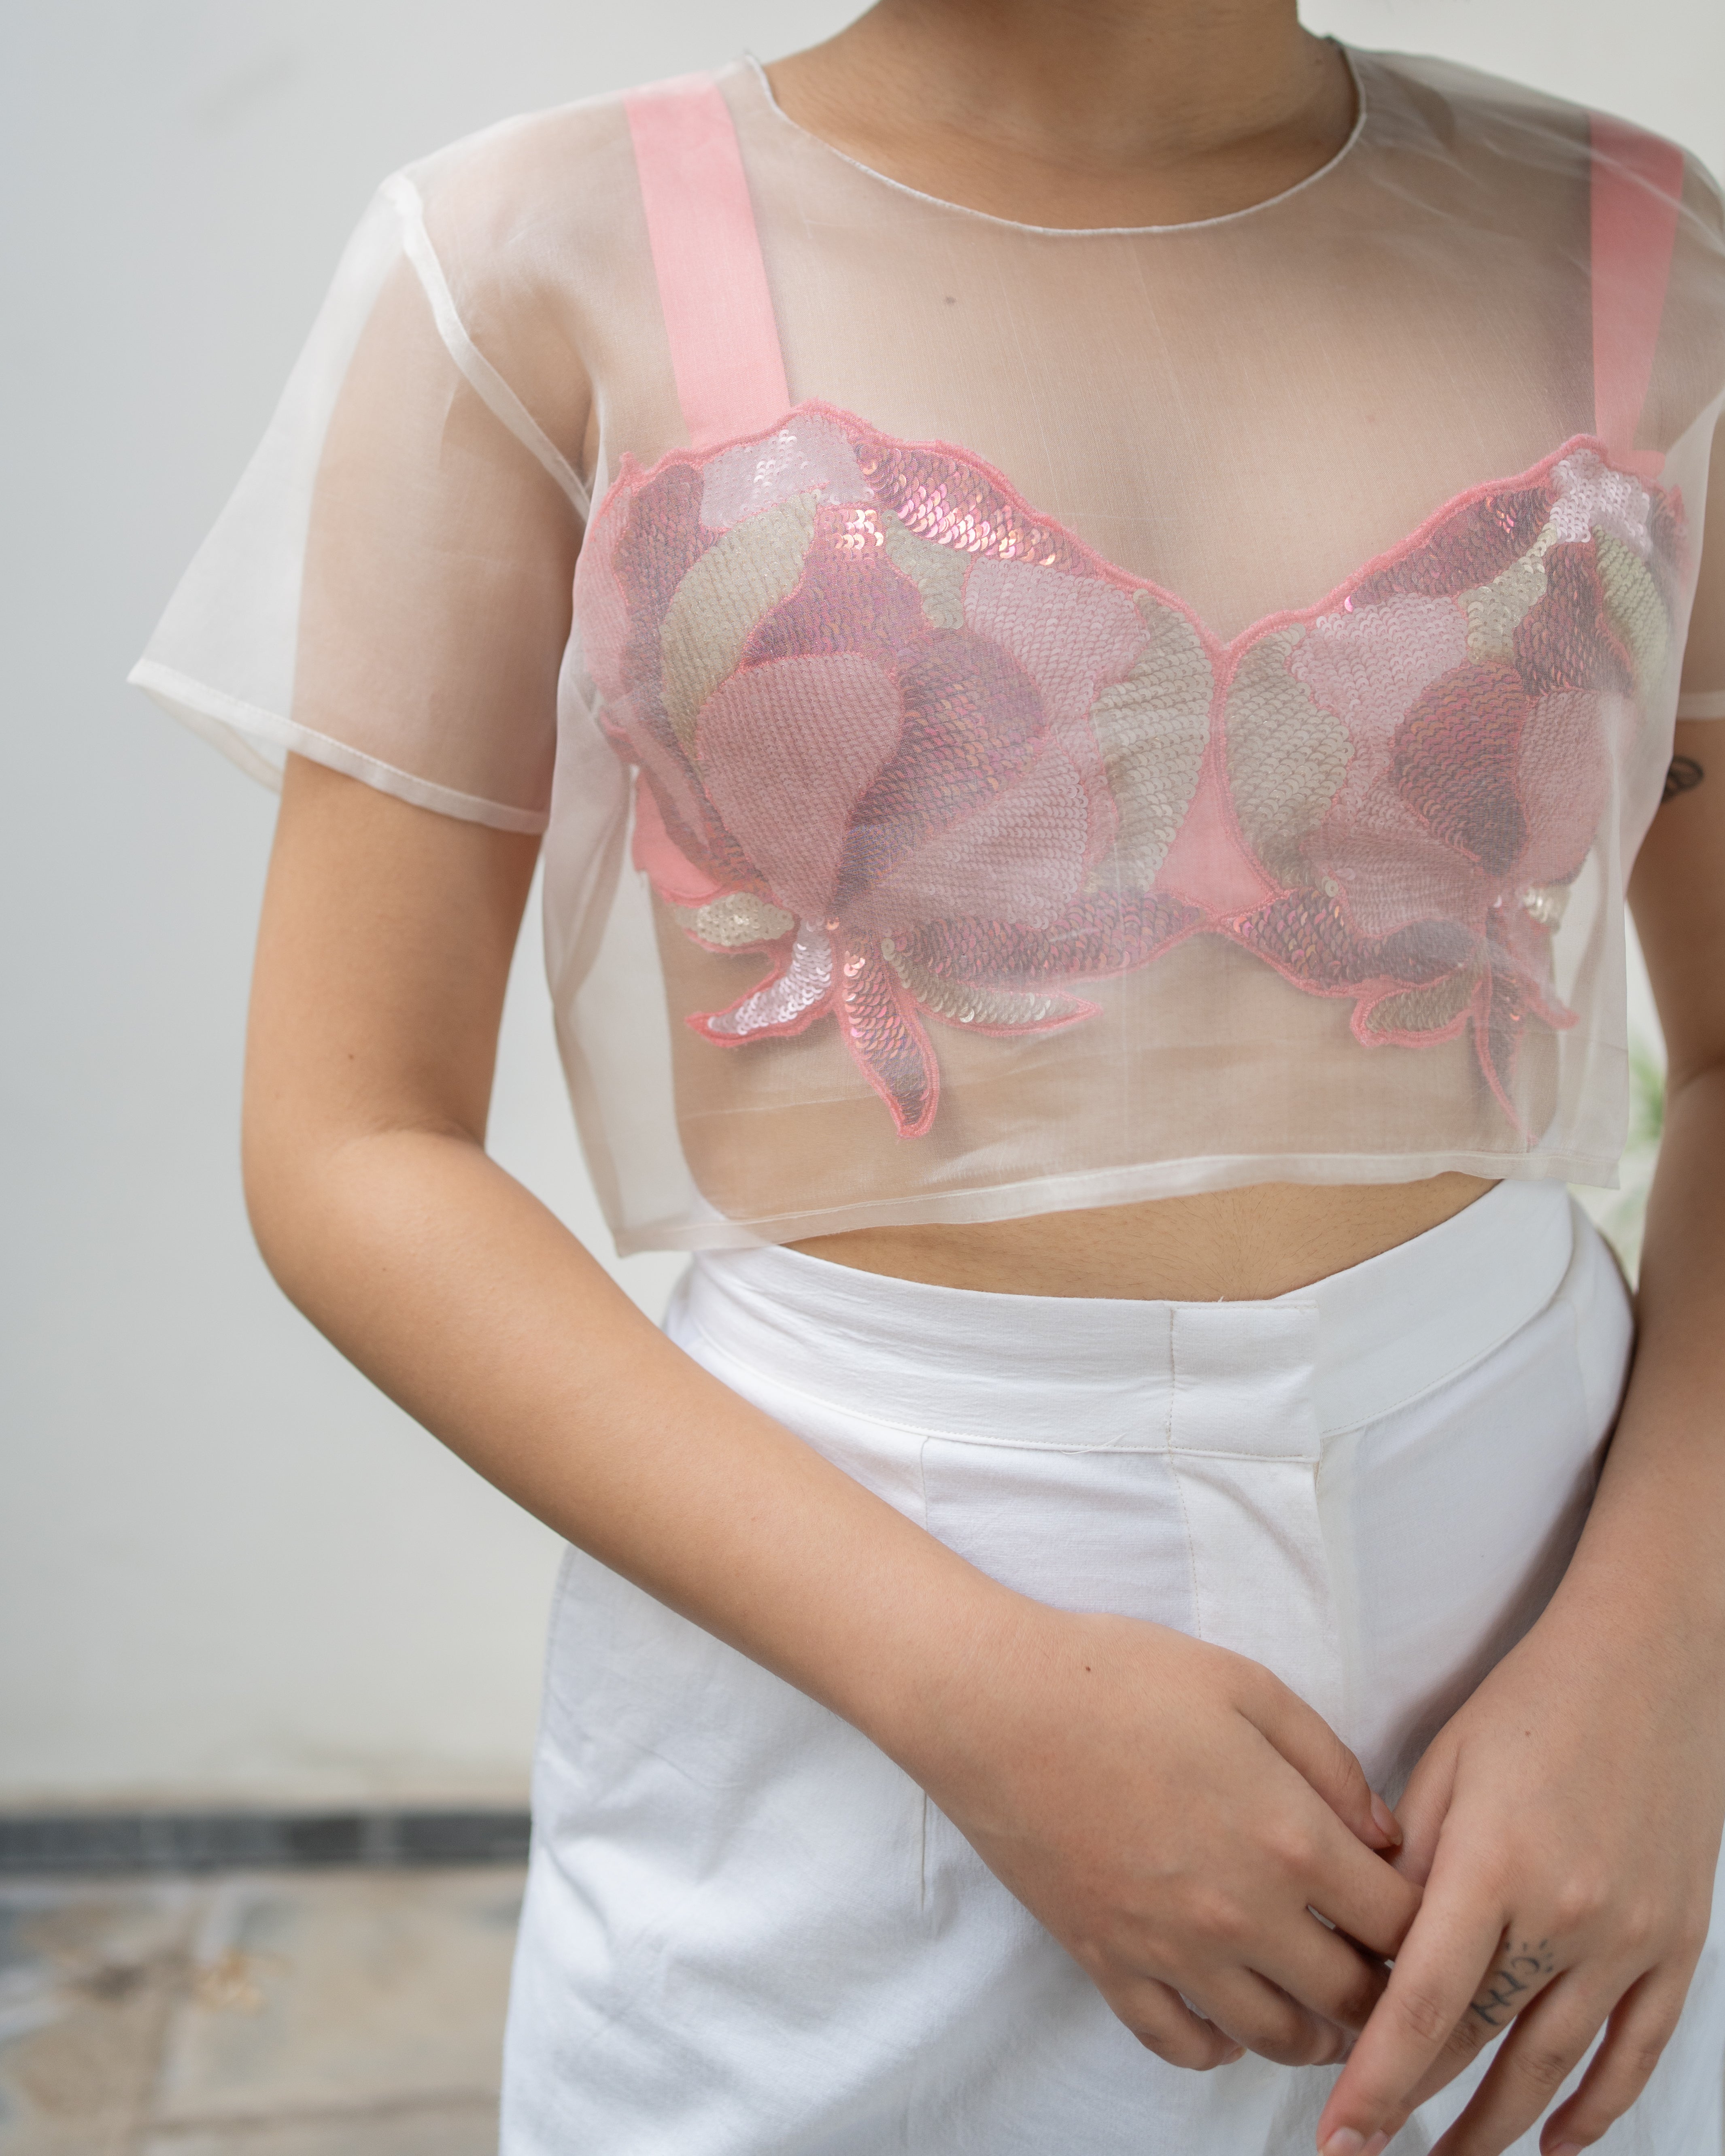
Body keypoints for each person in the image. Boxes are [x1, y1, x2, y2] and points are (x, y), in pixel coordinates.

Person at [131, 2, 1725, 2149]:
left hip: (1549, 1645)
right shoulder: (534, 255)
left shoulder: (1633, 242)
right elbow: (351, 1142)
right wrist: (962, 1689)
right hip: (860, 1649)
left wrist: (1660, 1669)